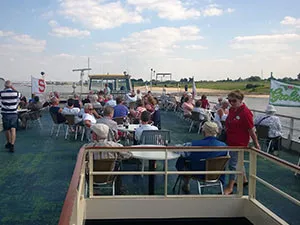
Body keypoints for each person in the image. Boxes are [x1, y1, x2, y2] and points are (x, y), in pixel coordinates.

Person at [224, 90, 260, 195]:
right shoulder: (232, 110)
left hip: (239, 143)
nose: (231, 103)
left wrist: (256, 144)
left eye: (234, 101)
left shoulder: (245, 113)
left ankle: (230, 187)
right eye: (229, 100)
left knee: (233, 164)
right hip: (231, 140)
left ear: (241, 100)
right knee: (239, 162)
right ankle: (244, 179)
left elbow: (251, 130)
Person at [175, 121, 228, 193]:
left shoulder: (194, 145)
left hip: (197, 173)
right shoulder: (224, 146)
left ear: (203, 131)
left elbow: (176, 149)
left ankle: (186, 182)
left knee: (182, 160)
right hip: (215, 174)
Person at [0, 80, 20, 152]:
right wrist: (12, 88)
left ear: (5, 86)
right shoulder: (16, 93)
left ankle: (8, 142)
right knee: (13, 128)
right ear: (11, 86)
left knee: (7, 129)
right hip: (14, 113)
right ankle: (12, 144)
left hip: (5, 113)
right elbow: (19, 96)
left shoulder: (1, 93)